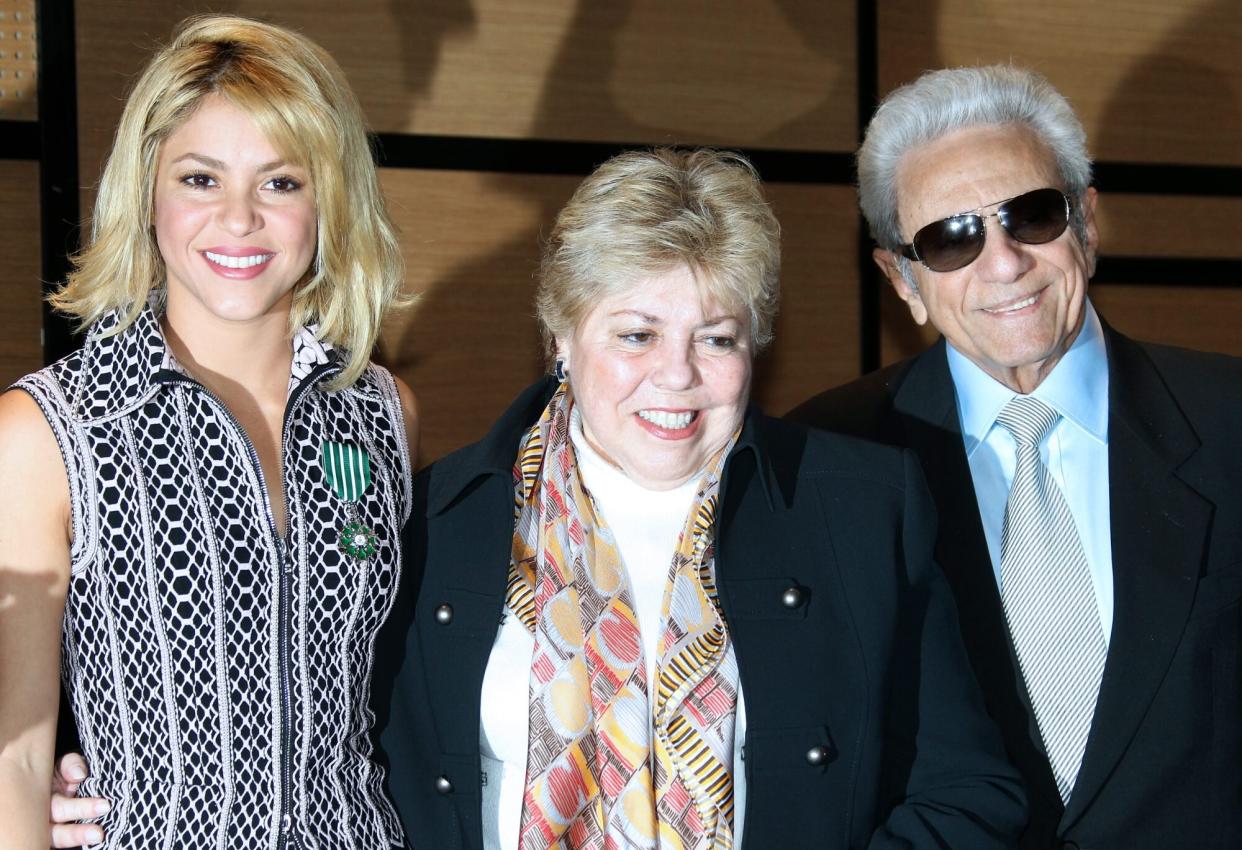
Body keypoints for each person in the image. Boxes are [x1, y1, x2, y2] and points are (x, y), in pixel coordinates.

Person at [371, 147, 1026, 850]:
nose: (676, 374)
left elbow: (968, 791)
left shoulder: (863, 508)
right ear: (561, 336)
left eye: (715, 338)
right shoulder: (433, 519)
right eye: (636, 335)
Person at [788, 65, 1242, 848]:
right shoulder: (826, 461)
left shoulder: (1231, 418)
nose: (1003, 264)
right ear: (902, 279)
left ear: (1088, 224)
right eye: (949, 237)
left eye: (1032, 216)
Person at [1, 15, 418, 849]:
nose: (239, 220)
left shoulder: (387, 413)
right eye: (199, 178)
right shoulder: (47, 430)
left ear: (328, 200)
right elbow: (13, 759)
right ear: (146, 192)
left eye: (281, 183)